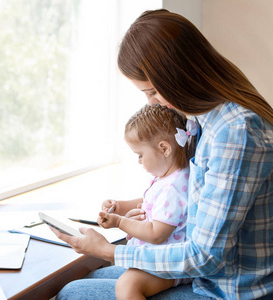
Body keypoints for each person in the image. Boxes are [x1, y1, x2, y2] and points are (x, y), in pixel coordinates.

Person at [51, 9, 273, 300]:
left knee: (73, 294)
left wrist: (109, 250)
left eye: (153, 92)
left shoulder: (235, 134)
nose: (154, 104)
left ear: (179, 76)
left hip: (226, 290)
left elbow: (206, 256)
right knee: (90, 278)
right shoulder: (203, 121)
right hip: (206, 277)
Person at [97, 104, 196, 299]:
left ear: (164, 148)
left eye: (140, 155)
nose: (139, 161)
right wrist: (120, 206)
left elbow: (157, 234)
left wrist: (120, 222)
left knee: (126, 286)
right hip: (159, 259)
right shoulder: (169, 178)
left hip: (170, 265)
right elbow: (149, 203)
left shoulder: (173, 188)